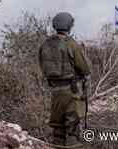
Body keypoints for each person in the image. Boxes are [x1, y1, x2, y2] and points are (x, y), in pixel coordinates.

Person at [38, 12, 90, 147]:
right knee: (72, 131)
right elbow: (84, 69)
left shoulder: (45, 45)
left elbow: (42, 66)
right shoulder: (71, 44)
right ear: (69, 26)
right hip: (70, 94)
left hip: (55, 93)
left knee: (58, 131)